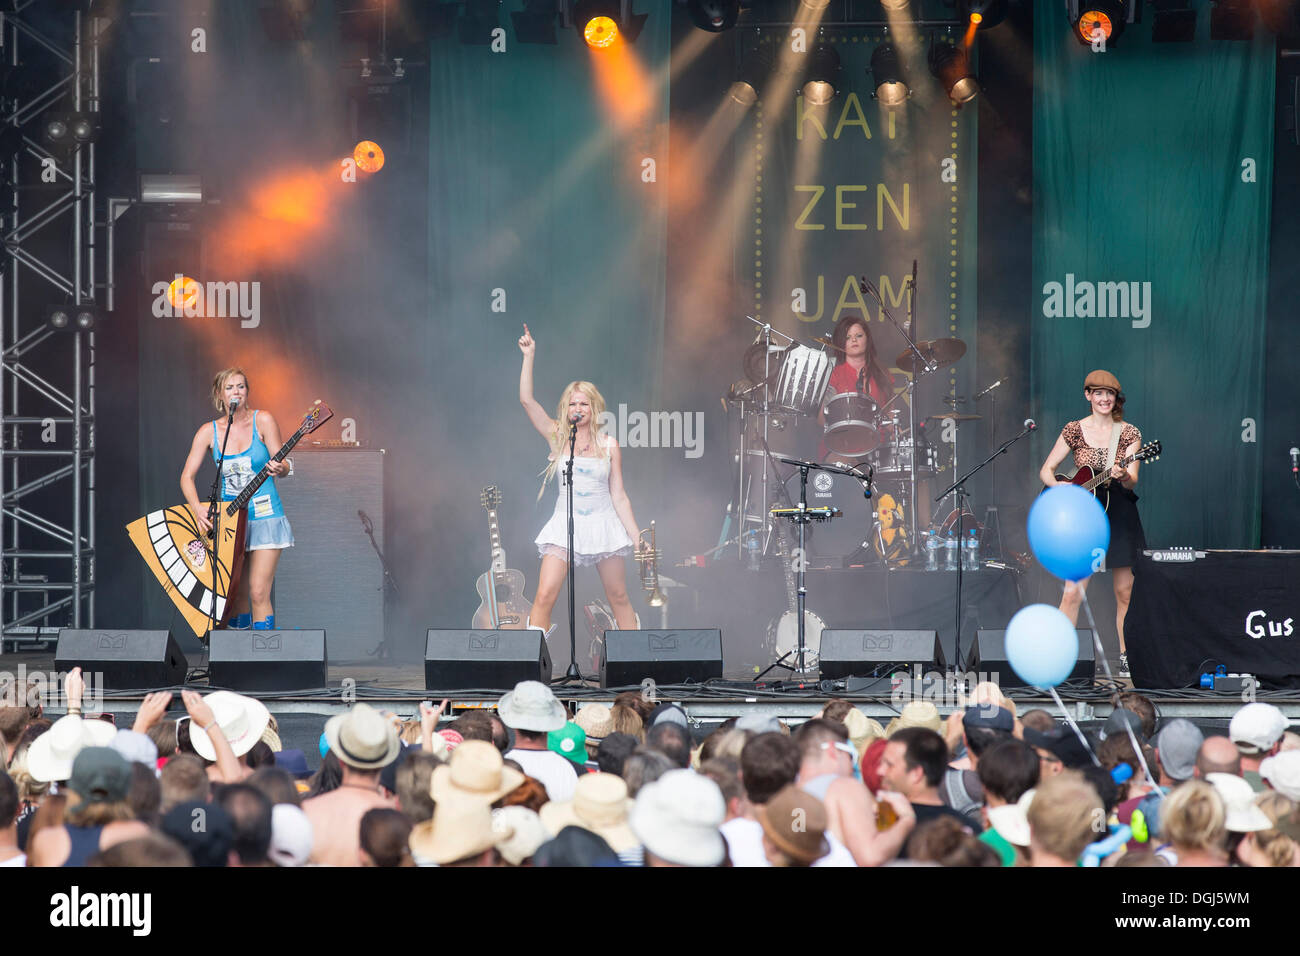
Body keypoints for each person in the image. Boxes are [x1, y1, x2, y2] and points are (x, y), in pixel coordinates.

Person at [517, 324, 645, 635]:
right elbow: (526, 401)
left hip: (603, 523)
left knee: (617, 595)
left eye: (584, 403)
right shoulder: (558, 437)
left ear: (594, 408)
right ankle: (534, 659)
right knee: (545, 594)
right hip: (565, 523)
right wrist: (529, 356)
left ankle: (633, 655)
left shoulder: (609, 444)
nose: (578, 408)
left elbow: (619, 496)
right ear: (566, 408)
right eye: (573, 403)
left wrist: (637, 535)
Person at [1037, 369, 1146, 677]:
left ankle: (1126, 658)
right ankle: (1058, 657)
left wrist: (1123, 474)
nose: (1103, 399)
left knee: (1125, 591)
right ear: (1088, 396)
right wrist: (1060, 489)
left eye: (1109, 394)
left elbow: (1132, 481)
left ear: (1116, 399)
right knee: (1073, 590)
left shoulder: (1129, 434)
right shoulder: (1074, 430)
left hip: (1119, 513)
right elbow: (1047, 470)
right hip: (1084, 518)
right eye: (1097, 393)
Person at [179, 367, 292, 630]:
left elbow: (283, 463)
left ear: (247, 392)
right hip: (230, 522)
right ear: (219, 394)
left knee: (258, 591)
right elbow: (186, 476)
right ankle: (239, 661)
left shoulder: (262, 420)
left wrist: (282, 468)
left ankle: (264, 659)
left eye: (241, 386)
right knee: (235, 594)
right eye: (229, 388)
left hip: (265, 516)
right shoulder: (208, 431)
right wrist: (198, 510)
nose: (236, 392)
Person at [818, 315, 896, 462]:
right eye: (848, 337)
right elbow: (822, 420)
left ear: (867, 339)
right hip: (841, 444)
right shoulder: (833, 375)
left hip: (877, 443)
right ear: (841, 343)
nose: (854, 340)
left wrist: (892, 429)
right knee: (848, 466)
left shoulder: (883, 373)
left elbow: (890, 412)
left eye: (859, 335)